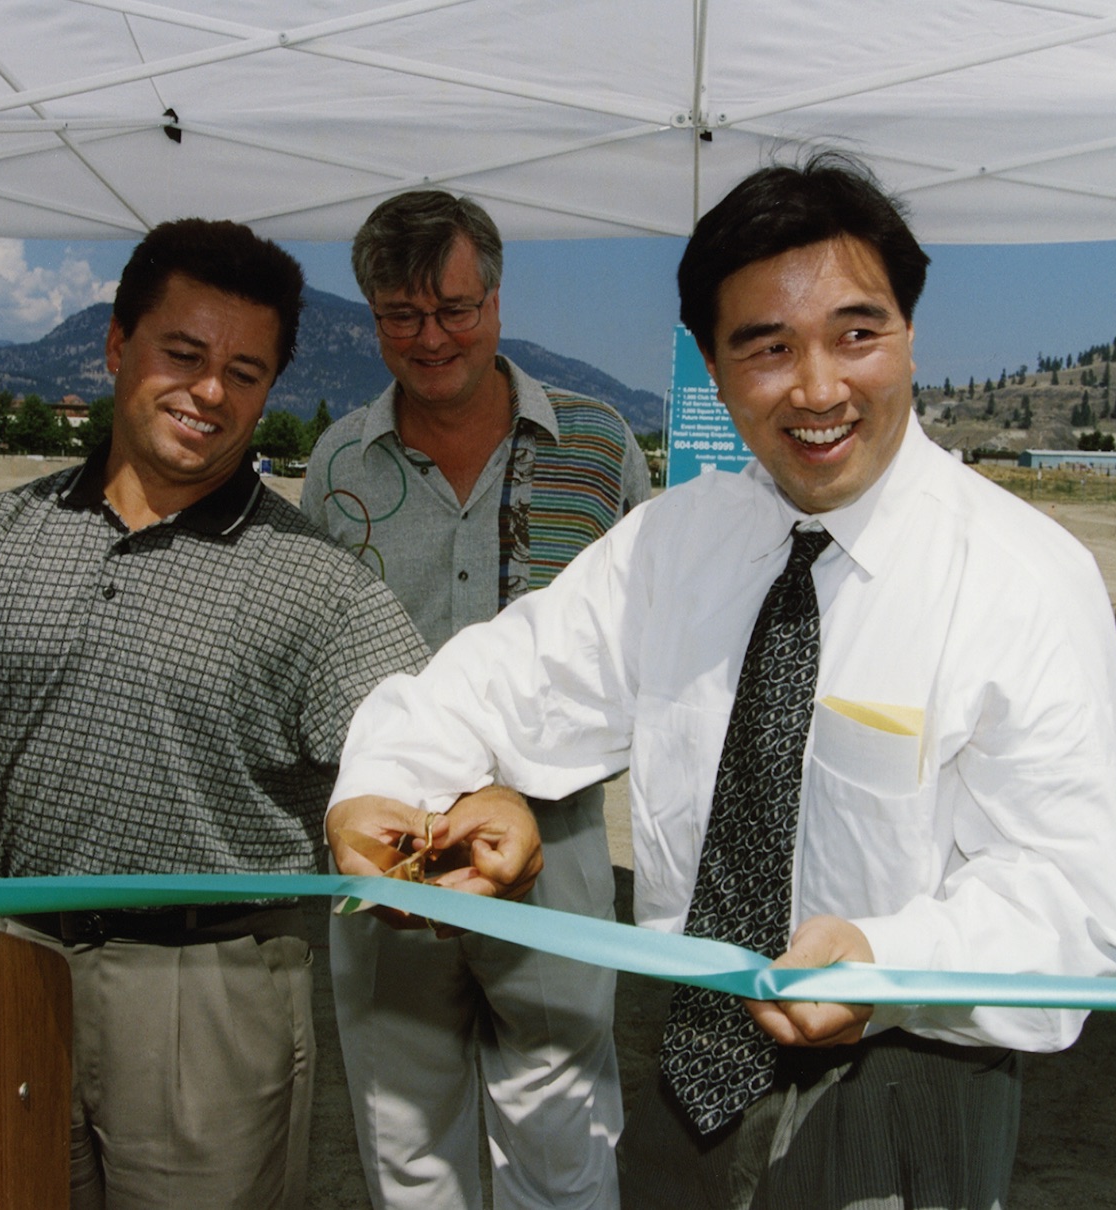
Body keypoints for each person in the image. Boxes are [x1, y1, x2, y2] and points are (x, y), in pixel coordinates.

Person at [326, 154, 1116, 1210]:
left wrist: (886, 958)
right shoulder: (675, 548)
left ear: (910, 334)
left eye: (858, 333)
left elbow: (1075, 899)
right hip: (692, 1090)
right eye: (766, 347)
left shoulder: (1024, 580)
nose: (817, 389)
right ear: (712, 372)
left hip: (908, 1084)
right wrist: (385, 787)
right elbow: (493, 681)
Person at [0, 218, 434, 1210]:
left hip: (215, 995)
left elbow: (411, 753)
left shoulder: (322, 587)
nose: (210, 392)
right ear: (118, 348)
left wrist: (423, 832)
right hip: (11, 968)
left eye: (245, 372)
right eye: (184, 354)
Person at [302, 190, 650, 1210]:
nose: (432, 337)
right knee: (409, 1152)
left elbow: (636, 648)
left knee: (564, 1146)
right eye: (400, 317)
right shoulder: (337, 463)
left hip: (559, 843)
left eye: (455, 308)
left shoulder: (598, 442)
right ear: (371, 319)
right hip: (388, 859)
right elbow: (327, 654)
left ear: (496, 299)